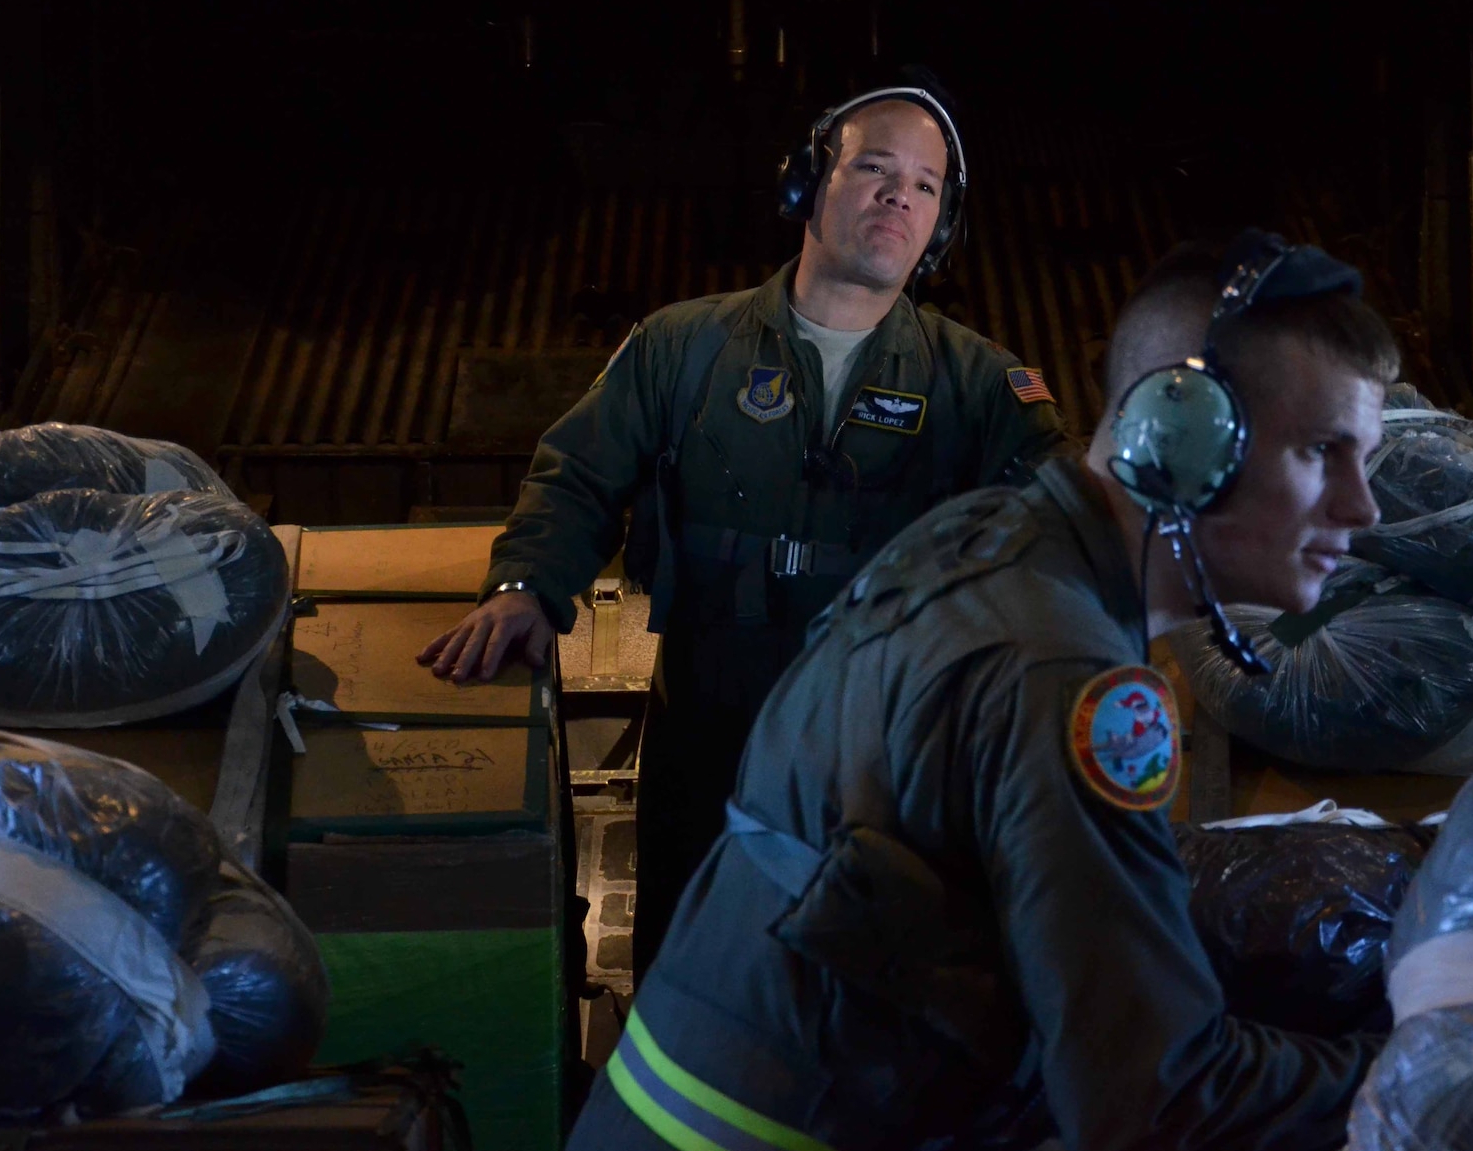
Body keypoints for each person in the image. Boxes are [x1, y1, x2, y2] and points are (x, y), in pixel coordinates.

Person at [564, 232, 1401, 1151]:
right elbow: (1157, 1100)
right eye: (1326, 451)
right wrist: (1434, 1065)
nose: (1363, 507)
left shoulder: (982, 538)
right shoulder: (1065, 676)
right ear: (1181, 437)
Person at [419, 82, 1070, 975]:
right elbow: (577, 475)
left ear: (943, 221)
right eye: (875, 168)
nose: (898, 198)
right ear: (807, 186)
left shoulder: (982, 386)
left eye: (926, 186)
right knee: (693, 980)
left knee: (870, 1004)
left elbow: (1071, 524)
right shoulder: (681, 348)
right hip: (707, 739)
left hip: (888, 758)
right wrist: (527, 583)